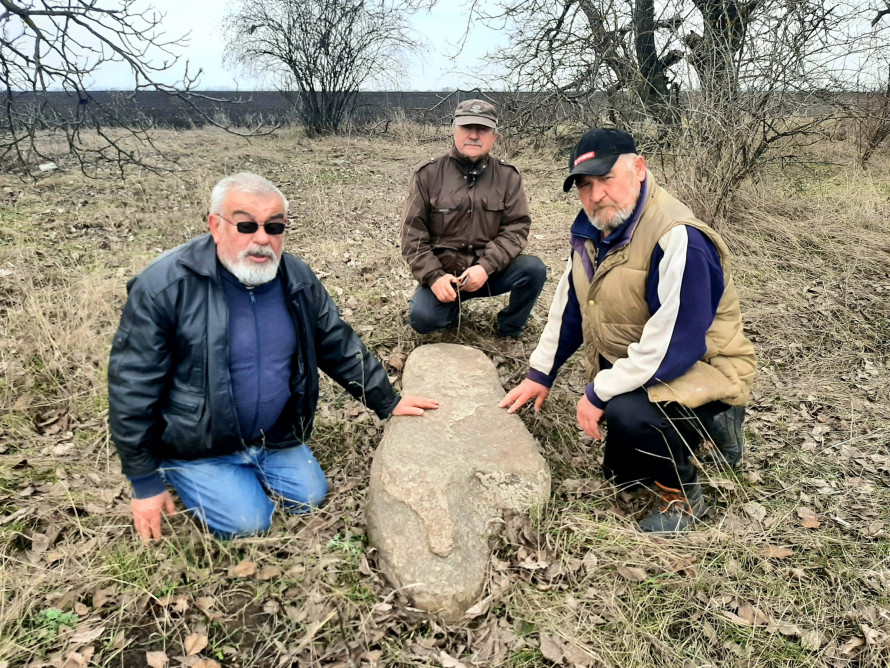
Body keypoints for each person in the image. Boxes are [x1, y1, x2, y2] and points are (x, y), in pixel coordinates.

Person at [108, 172, 438, 541]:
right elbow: (132, 387)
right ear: (215, 225)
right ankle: (182, 470)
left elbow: (336, 343)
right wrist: (144, 481)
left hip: (271, 437)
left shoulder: (295, 278)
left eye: (274, 226)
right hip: (200, 444)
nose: (262, 239)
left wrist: (387, 400)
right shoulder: (166, 286)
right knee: (250, 524)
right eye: (246, 225)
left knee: (311, 497)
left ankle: (251, 465)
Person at [500, 128, 756, 534]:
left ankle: (686, 491)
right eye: (585, 185)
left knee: (627, 413)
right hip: (645, 363)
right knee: (622, 475)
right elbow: (571, 307)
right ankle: (687, 432)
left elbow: (677, 344)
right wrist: (540, 374)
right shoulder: (593, 232)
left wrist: (600, 391)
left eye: (606, 178)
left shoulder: (680, 238)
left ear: (639, 168)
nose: (596, 195)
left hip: (704, 365)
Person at [401, 99, 546, 337]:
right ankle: (450, 308)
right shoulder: (427, 174)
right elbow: (412, 236)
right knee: (423, 319)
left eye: (483, 129)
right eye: (467, 127)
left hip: (489, 273)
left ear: (495, 137)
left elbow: (516, 228)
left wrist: (485, 267)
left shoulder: (508, 177)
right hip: (445, 275)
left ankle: (510, 327)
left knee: (534, 269)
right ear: (454, 130)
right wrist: (435, 277)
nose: (474, 135)